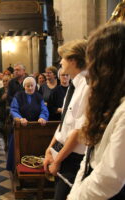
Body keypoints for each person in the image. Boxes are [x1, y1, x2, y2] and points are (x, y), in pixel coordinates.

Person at [68, 22, 125, 200]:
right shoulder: (110, 102)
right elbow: (89, 157)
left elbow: (109, 178)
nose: (89, 70)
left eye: (93, 61)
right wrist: (75, 192)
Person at [43, 39, 88, 200]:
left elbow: (78, 131)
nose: (60, 62)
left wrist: (58, 160)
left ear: (73, 60)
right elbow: (64, 124)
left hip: (73, 159)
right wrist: (50, 149)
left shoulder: (87, 86)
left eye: (63, 58)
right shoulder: (72, 85)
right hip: (62, 152)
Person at [6, 77, 49, 171]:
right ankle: (16, 169)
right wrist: (20, 119)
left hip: (35, 128)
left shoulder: (39, 96)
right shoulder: (18, 95)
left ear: (35, 86)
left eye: (32, 85)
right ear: (24, 86)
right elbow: (13, 109)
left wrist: (42, 117)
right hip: (21, 127)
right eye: (27, 86)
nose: (30, 88)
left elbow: (44, 109)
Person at [0, 75, 11, 150]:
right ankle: (5, 143)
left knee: (10, 129)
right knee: (3, 129)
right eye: (3, 81)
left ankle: (11, 143)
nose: (5, 82)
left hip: (11, 112)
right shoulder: (0, 90)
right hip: (3, 112)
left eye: (6, 81)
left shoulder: (12, 90)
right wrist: (2, 98)